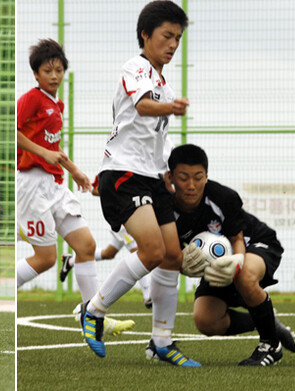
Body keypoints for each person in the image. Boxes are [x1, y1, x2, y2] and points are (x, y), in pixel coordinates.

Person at [78, 1, 204, 366]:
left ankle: (161, 341)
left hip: (150, 177)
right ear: (146, 35)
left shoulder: (162, 83)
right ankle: (95, 310)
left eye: (178, 38)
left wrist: (168, 174)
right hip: (124, 175)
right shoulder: (136, 68)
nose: (173, 44)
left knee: (172, 257)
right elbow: (144, 106)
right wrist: (172, 108)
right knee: (151, 250)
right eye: (167, 36)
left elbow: (154, 135)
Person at [16, 38, 135, 337]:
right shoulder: (32, 99)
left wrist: (78, 174)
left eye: (59, 69)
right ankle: (9, 292)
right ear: (36, 74)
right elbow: (13, 131)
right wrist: (42, 153)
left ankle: (91, 315)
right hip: (31, 185)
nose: (54, 75)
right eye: (47, 70)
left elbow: (54, 150)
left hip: (55, 184)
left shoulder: (57, 104)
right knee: (45, 259)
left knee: (86, 247)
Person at [164, 143, 295, 366]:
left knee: (244, 274)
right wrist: (183, 265)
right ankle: (266, 321)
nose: (191, 185)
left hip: (256, 244)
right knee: (206, 320)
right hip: (219, 262)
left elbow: (237, 240)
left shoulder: (222, 197)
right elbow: (170, 255)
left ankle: (270, 346)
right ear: (170, 178)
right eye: (183, 177)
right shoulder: (164, 209)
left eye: (198, 177)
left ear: (206, 176)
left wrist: (237, 261)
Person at [59, 176, 151, 308]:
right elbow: (94, 189)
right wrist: (113, 193)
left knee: (109, 253)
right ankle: (148, 296)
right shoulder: (109, 169)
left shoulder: (137, 165)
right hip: (122, 219)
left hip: (133, 216)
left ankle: (70, 261)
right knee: (139, 253)